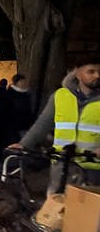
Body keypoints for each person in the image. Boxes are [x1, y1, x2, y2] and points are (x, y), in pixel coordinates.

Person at [13, 57, 100, 191]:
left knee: (88, 209)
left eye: (99, 71)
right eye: (91, 71)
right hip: (61, 165)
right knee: (56, 205)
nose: (97, 75)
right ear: (77, 73)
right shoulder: (60, 96)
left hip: (92, 168)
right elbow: (43, 123)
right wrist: (24, 144)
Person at [6, 74, 34, 140]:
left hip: (26, 124)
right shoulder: (10, 94)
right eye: (21, 81)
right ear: (16, 83)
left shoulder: (27, 93)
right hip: (15, 126)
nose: (24, 83)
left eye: (24, 81)